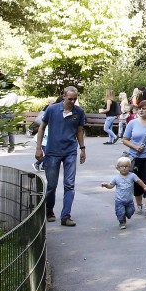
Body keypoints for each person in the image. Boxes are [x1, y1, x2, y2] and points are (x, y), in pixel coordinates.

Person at [34, 86, 86, 226]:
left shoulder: (79, 111)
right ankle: (49, 210)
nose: (73, 101)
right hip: (52, 151)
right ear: (63, 96)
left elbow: (79, 131)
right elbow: (41, 127)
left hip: (70, 151)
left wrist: (82, 149)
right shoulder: (52, 109)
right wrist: (38, 148)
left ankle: (66, 216)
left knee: (69, 185)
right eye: (70, 99)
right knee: (51, 185)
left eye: (75, 99)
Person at [101, 157, 143, 230]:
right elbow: (111, 185)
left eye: (126, 166)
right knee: (120, 213)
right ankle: (122, 222)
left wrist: (144, 187)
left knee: (130, 212)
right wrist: (106, 185)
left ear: (130, 167)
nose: (124, 168)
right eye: (122, 166)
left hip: (129, 200)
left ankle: (126, 215)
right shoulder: (116, 178)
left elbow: (139, 181)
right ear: (118, 168)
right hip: (119, 200)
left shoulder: (132, 175)